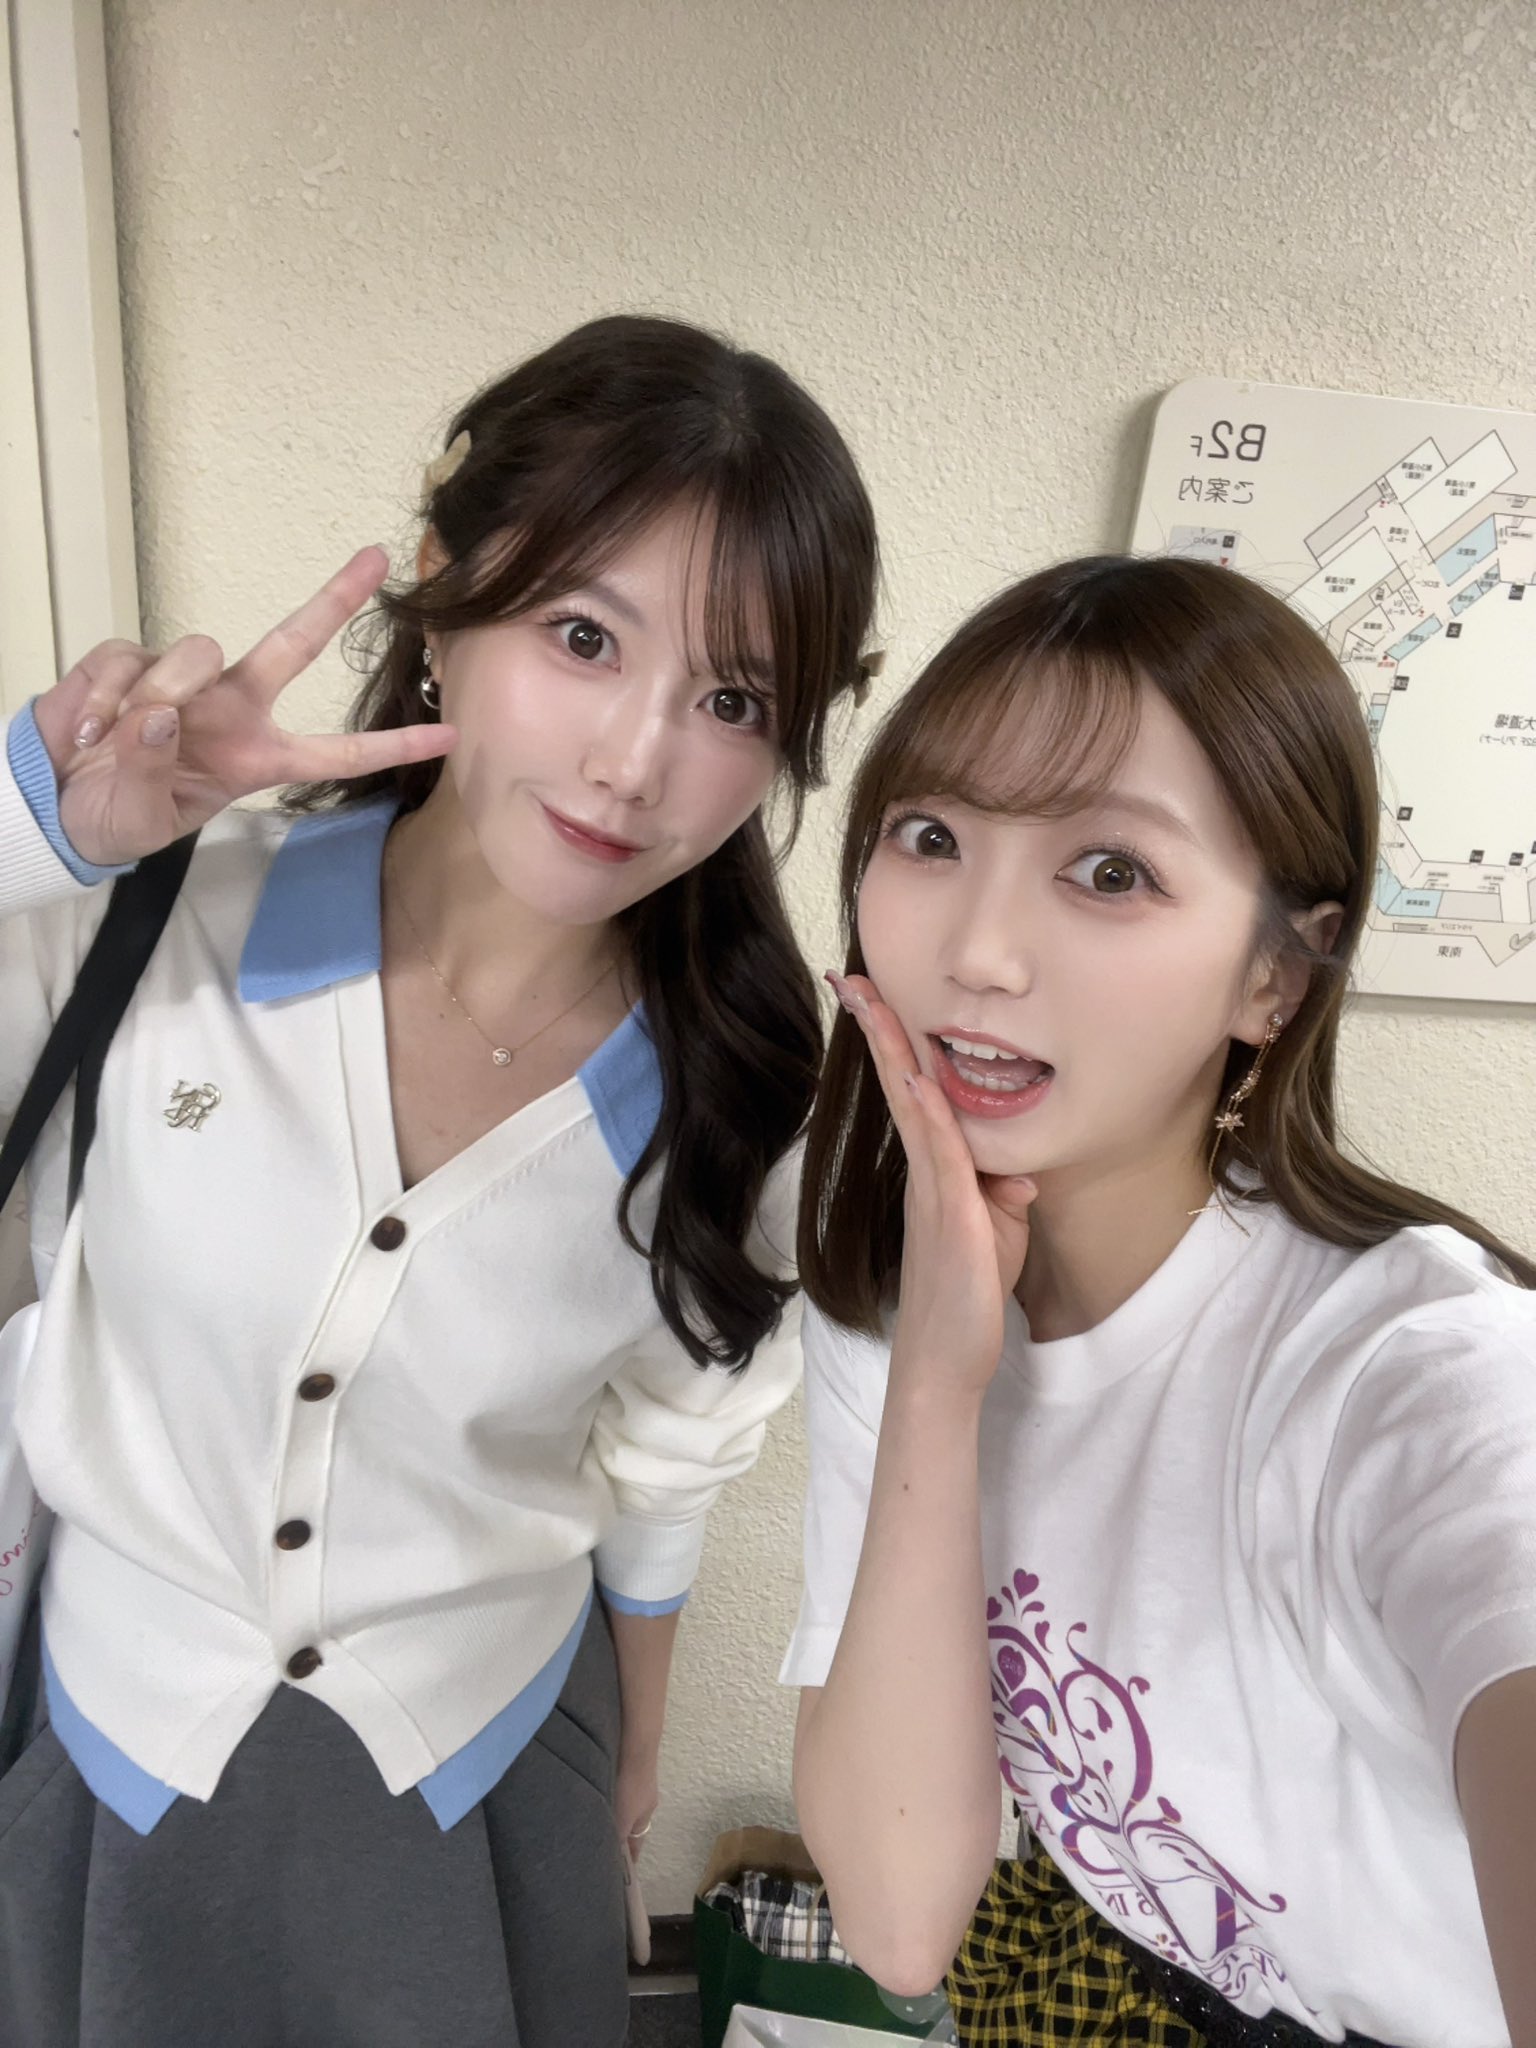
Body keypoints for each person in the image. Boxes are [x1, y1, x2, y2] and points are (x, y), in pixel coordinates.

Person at [0, 313, 878, 2048]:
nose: (635, 760)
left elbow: (669, 1450)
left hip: (480, 1784)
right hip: (106, 1754)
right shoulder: (152, 910)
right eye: (581, 636)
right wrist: (42, 832)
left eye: (732, 700)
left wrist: (628, 1770)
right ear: (445, 595)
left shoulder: (752, 1086)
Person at [783, 554, 1536, 2047]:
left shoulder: (1415, 1370)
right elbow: (898, 1918)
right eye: (931, 836)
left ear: (1275, 979)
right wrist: (937, 1379)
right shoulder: (900, 1298)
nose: (974, 953)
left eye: (1111, 872)